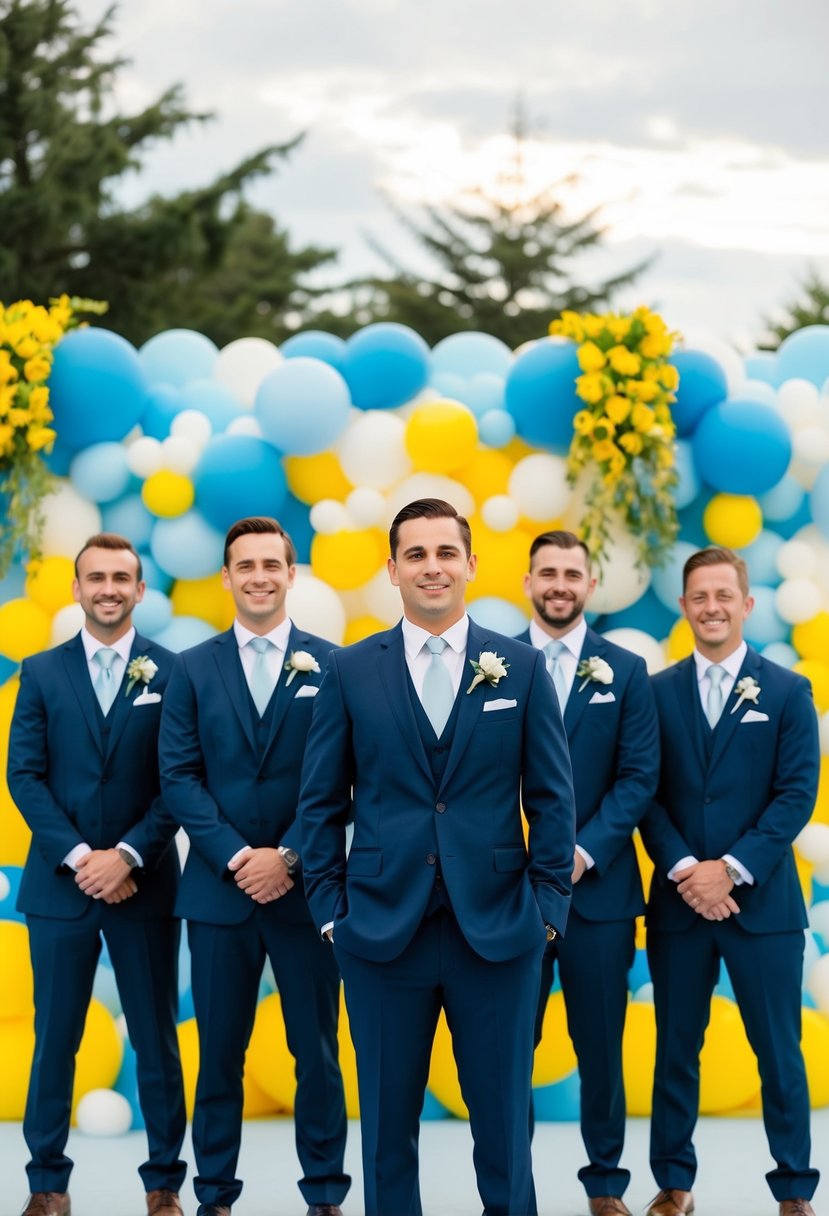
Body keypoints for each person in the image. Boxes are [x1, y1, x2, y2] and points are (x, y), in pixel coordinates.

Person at [298, 497, 576, 1216]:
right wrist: (331, 915)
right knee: (387, 1133)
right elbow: (321, 802)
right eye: (415, 554)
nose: (432, 566)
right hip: (379, 935)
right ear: (391, 569)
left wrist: (547, 912)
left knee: (504, 1133)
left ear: (471, 565)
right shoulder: (350, 669)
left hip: (500, 932)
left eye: (445, 552)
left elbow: (551, 797)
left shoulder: (517, 666)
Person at [159, 516, 349, 1216]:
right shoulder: (191, 668)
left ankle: (325, 1195)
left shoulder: (334, 664)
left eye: (272, 564)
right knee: (217, 1058)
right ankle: (213, 1196)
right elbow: (178, 776)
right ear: (227, 577)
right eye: (246, 565)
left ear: (291, 574)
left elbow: (344, 777)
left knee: (318, 1055)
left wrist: (289, 856)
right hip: (217, 894)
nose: (260, 576)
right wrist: (242, 858)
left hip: (307, 896)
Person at [7, 533, 186, 1216]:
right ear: (77, 589)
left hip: (144, 885)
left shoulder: (173, 673)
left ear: (140, 590)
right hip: (61, 887)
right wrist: (85, 859)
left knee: (156, 1039)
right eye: (95, 577)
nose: (108, 587)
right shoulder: (42, 672)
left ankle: (164, 1185)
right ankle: (46, 1185)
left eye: (121, 577)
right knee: (56, 1037)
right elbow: (23, 775)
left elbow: (179, 778)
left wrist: (129, 855)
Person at [641, 546, 820, 1216]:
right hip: (679, 902)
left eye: (723, 595)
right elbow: (644, 793)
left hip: (763, 906)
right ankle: (673, 1183)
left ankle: (794, 1189)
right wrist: (689, 871)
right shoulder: (653, 694)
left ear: (745, 604)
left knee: (778, 1051)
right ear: (684, 606)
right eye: (698, 596)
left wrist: (732, 870)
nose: (711, 607)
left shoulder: (785, 690)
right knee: (675, 1050)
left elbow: (795, 793)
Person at [518, 530, 659, 1216]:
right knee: (509, 1043)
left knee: (599, 1044)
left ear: (589, 585)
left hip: (597, 893)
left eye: (571, 573)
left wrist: (578, 852)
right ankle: (510, 1183)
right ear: (526, 582)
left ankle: (605, 1184)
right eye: (547, 572)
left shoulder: (624, 670)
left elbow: (637, 778)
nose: (559, 584)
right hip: (505, 893)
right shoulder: (492, 660)